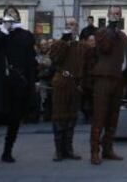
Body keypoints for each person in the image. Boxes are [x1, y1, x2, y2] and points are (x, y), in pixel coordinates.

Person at [89, 6, 127, 165]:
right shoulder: (102, 32)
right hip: (104, 79)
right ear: (108, 15)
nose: (116, 15)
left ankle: (108, 149)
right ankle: (94, 151)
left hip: (119, 79)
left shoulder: (123, 36)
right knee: (99, 116)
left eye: (118, 13)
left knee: (113, 117)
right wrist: (112, 28)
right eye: (113, 13)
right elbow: (105, 48)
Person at [0, 6, 37, 164]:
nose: (11, 17)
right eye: (8, 15)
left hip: (19, 83)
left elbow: (30, 62)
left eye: (14, 14)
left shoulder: (26, 35)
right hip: (0, 83)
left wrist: (32, 83)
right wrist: (3, 31)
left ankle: (7, 151)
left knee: (14, 119)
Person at [49, 17, 89, 161]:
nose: (70, 27)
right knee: (59, 117)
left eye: (72, 24)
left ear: (77, 27)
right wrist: (64, 41)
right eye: (67, 24)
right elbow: (54, 59)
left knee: (72, 117)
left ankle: (69, 149)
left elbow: (87, 64)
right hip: (61, 82)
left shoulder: (82, 46)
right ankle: (59, 150)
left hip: (75, 84)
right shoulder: (58, 43)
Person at [36, 38, 55, 121]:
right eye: (42, 45)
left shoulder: (52, 54)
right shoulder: (37, 55)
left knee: (51, 98)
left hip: (50, 77)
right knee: (43, 97)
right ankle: (45, 113)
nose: (44, 46)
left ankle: (50, 114)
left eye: (45, 44)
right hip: (42, 78)